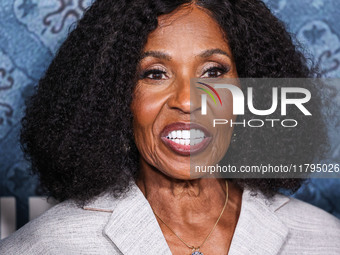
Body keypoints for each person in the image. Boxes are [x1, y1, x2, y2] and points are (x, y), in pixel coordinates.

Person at [1, 0, 340, 254]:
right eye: (154, 73)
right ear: (114, 98)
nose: (188, 100)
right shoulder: (50, 245)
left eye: (212, 72)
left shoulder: (324, 238)